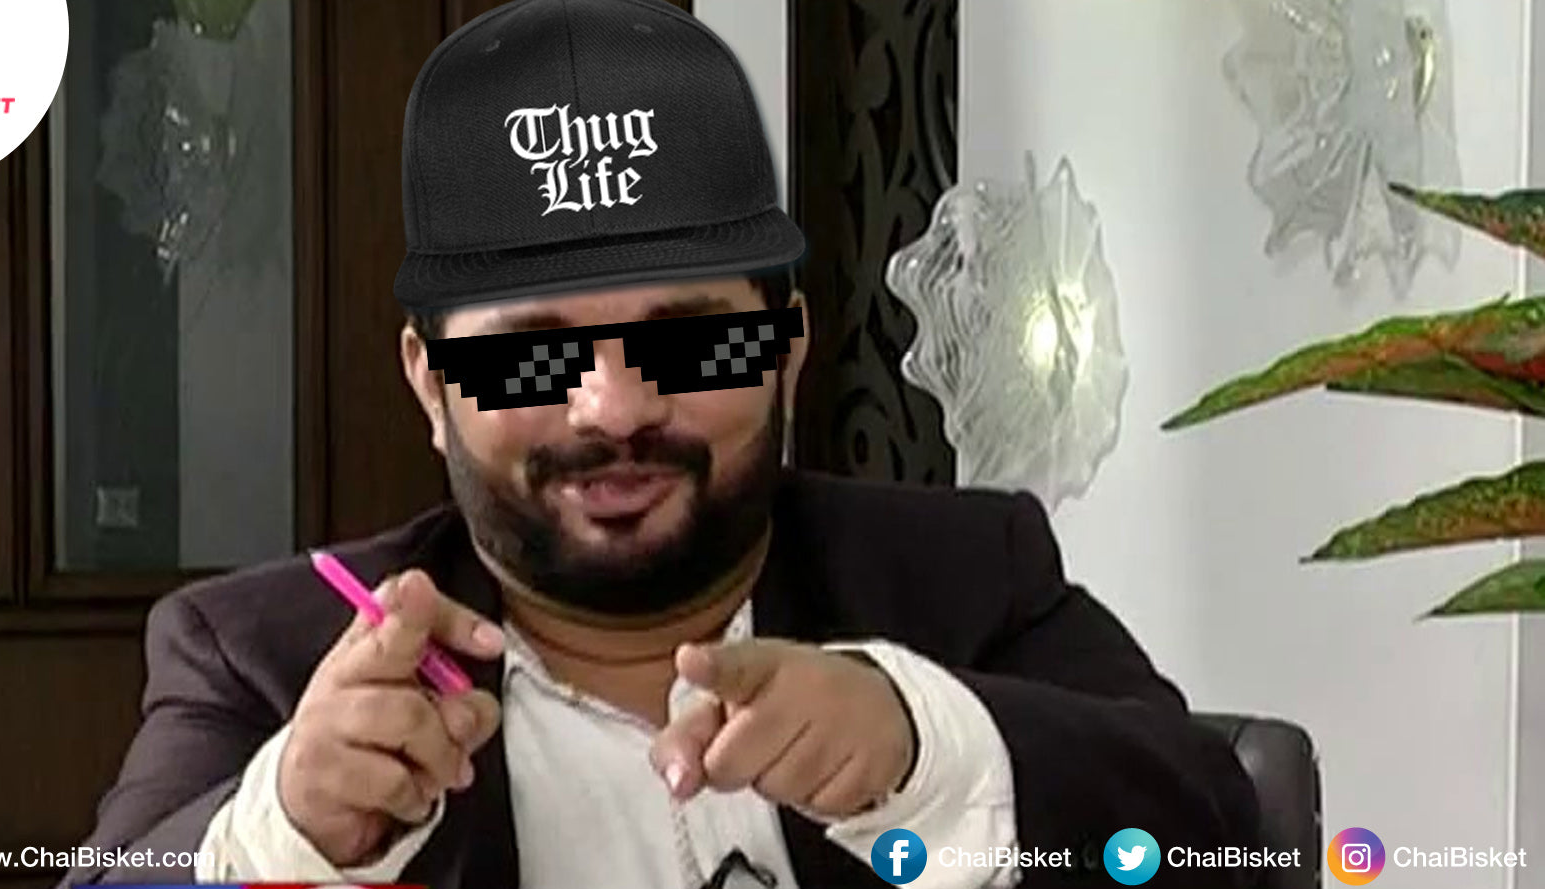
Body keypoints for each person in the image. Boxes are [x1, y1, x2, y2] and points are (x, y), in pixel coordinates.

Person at [62, 0, 1261, 886]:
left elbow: (1221, 839)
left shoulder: (963, 576)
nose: (613, 408)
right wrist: (285, 833)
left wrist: (919, 749)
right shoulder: (264, 655)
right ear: (430, 381)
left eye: (691, 341)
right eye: (530, 354)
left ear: (787, 345)